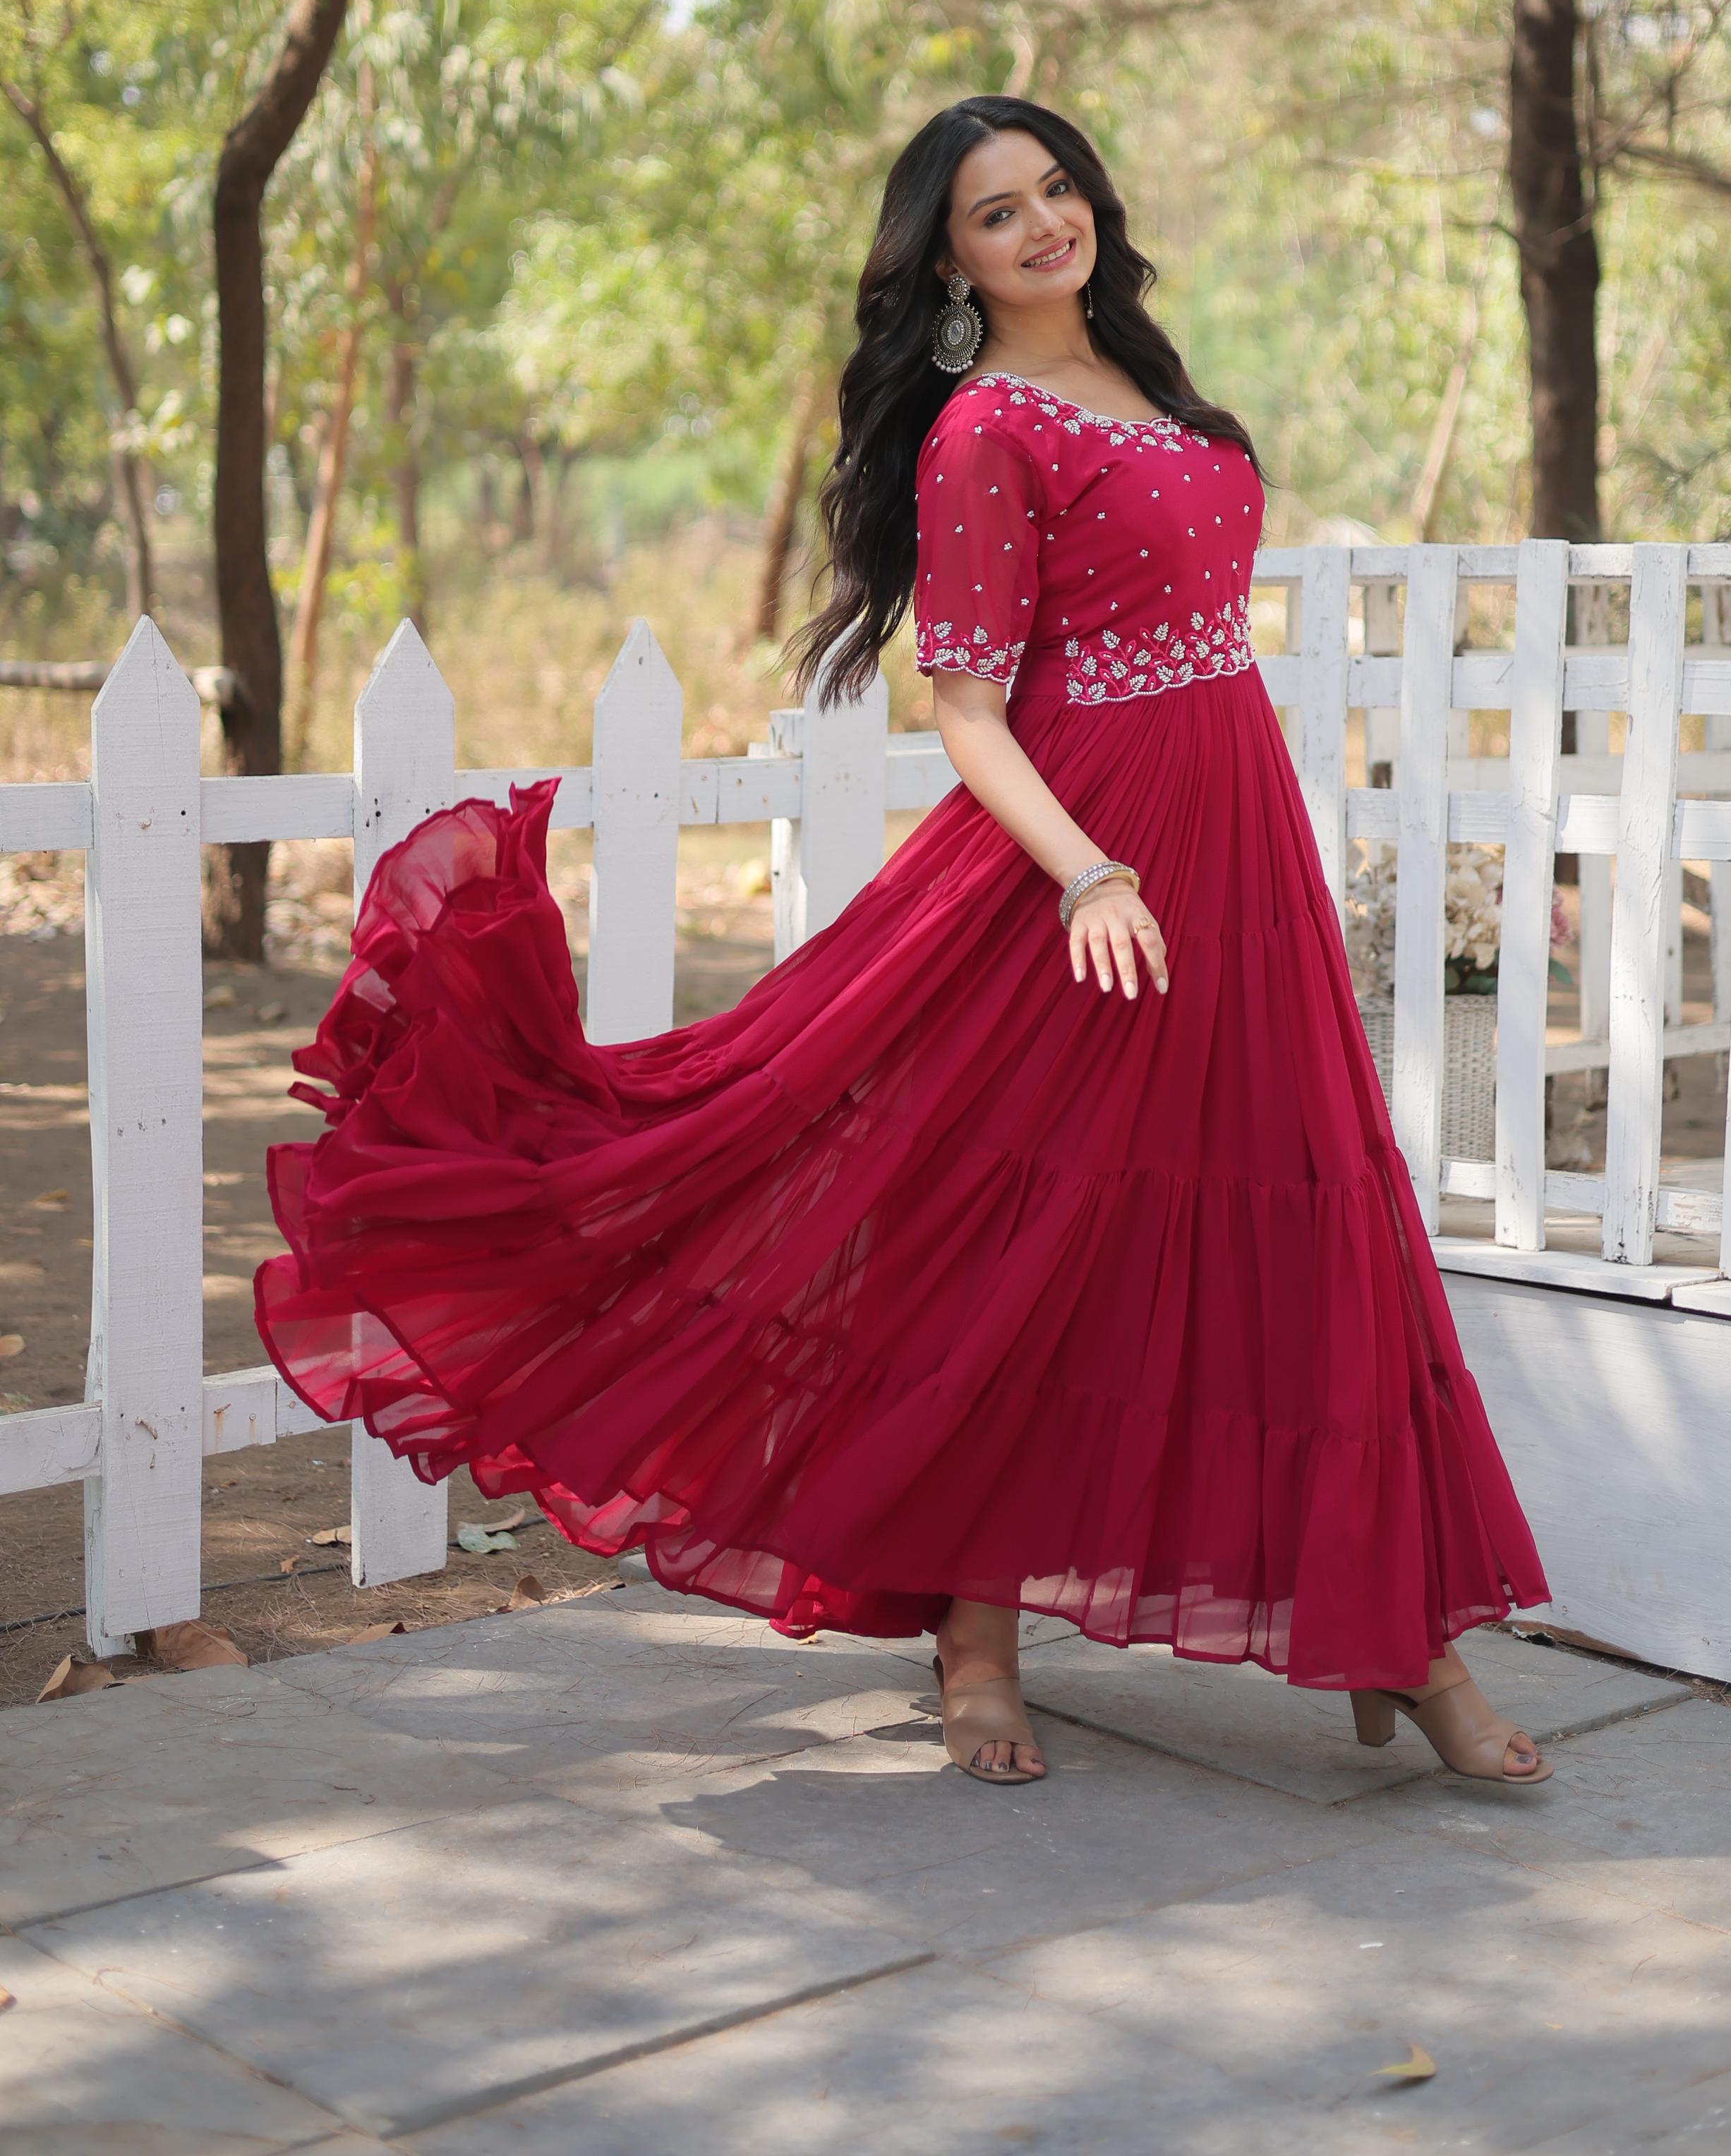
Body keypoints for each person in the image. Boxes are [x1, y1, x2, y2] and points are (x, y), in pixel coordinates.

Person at [256, 94, 1551, 1790]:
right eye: (994, 214)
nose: (1039, 224)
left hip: (1232, 851)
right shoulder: (984, 429)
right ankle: (979, 1636)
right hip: (1083, 871)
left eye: (1054, 189)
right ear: (947, 267)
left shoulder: (1156, 390)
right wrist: (1089, 873)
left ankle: (1403, 1637)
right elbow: (965, 701)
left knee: (1309, 1219)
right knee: (1024, 1253)